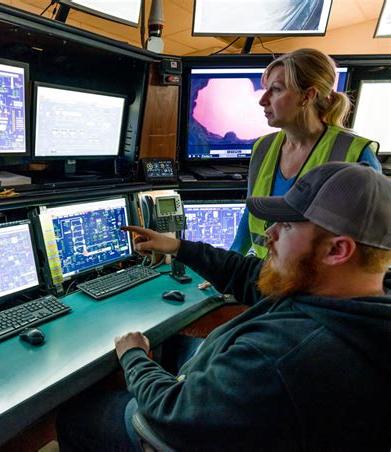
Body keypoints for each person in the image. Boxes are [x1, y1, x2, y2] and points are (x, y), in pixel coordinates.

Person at [57, 162, 391, 451]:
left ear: (336, 250)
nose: (269, 234)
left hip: (179, 426)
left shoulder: (280, 356)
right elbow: (249, 274)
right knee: (180, 344)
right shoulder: (355, 293)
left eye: (287, 226)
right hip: (252, 416)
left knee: (76, 415)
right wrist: (179, 247)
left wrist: (134, 358)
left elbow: (173, 411)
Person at [229, 48, 381, 259]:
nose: (262, 100)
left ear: (307, 96)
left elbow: (373, 244)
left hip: (323, 277)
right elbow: (251, 215)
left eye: (276, 90)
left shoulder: (356, 154)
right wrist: (229, 264)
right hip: (270, 272)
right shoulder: (263, 147)